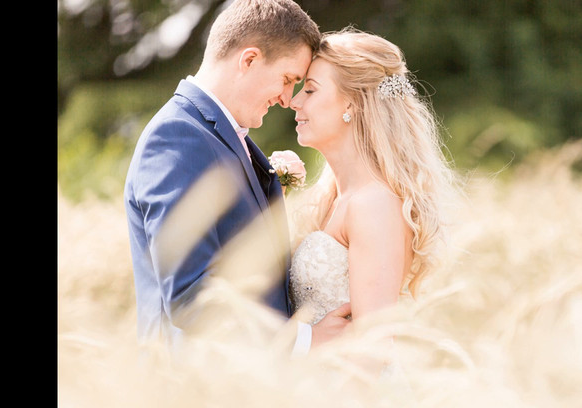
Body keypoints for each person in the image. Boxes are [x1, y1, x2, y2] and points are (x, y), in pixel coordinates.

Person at [124, 0, 350, 352]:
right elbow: (192, 298)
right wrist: (302, 341)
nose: (287, 98)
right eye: (288, 79)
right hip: (195, 394)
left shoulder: (215, 136)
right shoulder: (177, 137)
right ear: (249, 60)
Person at [285, 28, 458, 335]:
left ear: (351, 104)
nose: (294, 102)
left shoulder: (374, 205)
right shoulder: (337, 198)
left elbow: (370, 348)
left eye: (310, 91)